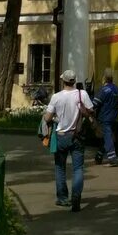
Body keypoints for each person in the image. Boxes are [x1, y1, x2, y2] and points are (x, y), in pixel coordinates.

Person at [44, 69, 93, 212]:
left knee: (60, 167)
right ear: (74, 80)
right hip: (77, 135)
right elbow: (90, 110)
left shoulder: (56, 97)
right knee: (78, 168)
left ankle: (63, 198)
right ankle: (76, 196)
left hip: (60, 136)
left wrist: (49, 117)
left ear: (63, 81)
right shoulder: (82, 94)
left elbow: (47, 118)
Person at [93, 70, 118, 166]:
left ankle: (112, 158)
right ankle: (99, 156)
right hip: (114, 117)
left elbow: (95, 104)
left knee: (107, 137)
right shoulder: (116, 89)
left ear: (104, 78)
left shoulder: (104, 90)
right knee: (106, 137)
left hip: (105, 118)